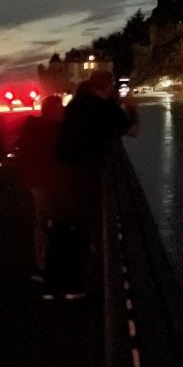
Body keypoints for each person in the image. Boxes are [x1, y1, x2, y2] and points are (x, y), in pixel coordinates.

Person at [47, 70, 138, 300]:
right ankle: (75, 287)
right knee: (81, 230)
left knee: (61, 228)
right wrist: (132, 108)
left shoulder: (75, 106)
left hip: (60, 173)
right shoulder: (107, 109)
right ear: (108, 87)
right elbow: (134, 131)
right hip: (86, 174)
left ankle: (52, 285)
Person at [11, 95, 66, 280]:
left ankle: (44, 262)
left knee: (44, 220)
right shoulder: (53, 130)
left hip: (36, 181)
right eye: (60, 109)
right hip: (44, 181)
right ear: (52, 111)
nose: (63, 112)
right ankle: (44, 264)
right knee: (46, 220)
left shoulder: (33, 127)